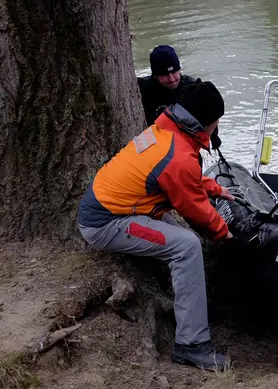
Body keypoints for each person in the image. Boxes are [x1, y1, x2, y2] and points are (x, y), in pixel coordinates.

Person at [77, 80, 234, 370]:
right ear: (206, 123)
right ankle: (191, 344)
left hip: (122, 207)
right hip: (107, 222)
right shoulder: (179, 156)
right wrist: (225, 234)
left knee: (180, 235)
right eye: (216, 121)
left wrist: (214, 188)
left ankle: (191, 309)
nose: (217, 127)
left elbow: (175, 175)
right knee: (187, 246)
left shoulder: (166, 131)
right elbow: (194, 208)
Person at [137, 44, 222, 150]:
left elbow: (209, 114)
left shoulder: (192, 88)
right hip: (154, 145)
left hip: (184, 146)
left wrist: (214, 136)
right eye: (165, 75)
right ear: (155, 75)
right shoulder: (141, 89)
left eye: (174, 71)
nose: (172, 78)